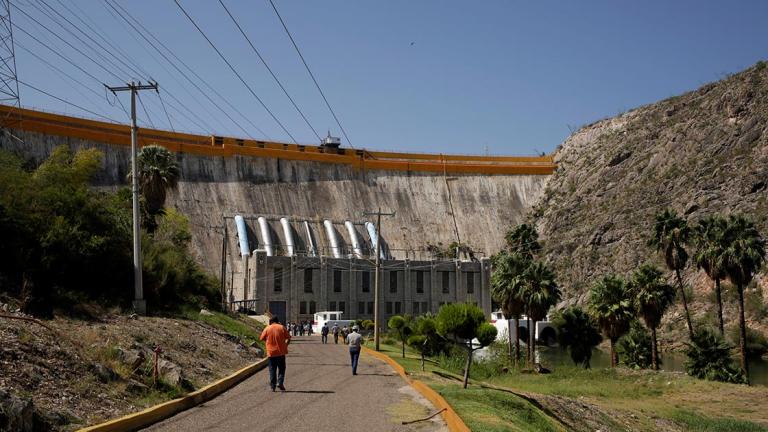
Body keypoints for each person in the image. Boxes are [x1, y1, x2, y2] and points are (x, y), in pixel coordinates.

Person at [259, 316, 291, 392]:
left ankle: (273, 386)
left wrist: (268, 342)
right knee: (282, 369)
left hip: (271, 353)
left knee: (272, 369)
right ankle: (280, 382)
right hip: (281, 353)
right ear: (277, 321)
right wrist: (285, 345)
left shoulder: (267, 328)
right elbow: (288, 338)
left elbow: (261, 338)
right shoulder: (281, 327)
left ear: (271, 321)